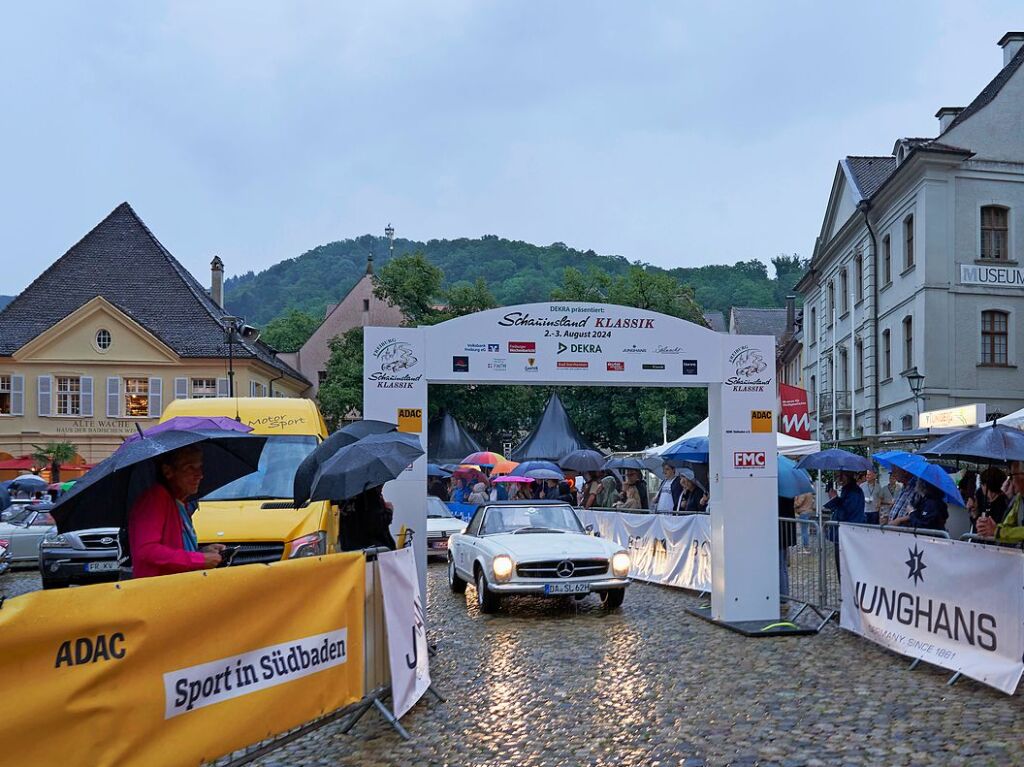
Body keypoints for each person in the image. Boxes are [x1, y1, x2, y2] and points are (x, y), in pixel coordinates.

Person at [128, 445, 224, 578]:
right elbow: (146, 550)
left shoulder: (178, 502)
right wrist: (199, 560)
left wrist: (201, 553)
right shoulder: (156, 498)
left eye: (199, 467)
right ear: (168, 471)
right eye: (190, 467)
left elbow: (176, 550)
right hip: (160, 591)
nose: (199, 475)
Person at [824, 471, 865, 580]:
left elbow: (843, 514)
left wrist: (834, 499)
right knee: (842, 569)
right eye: (836, 476)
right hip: (844, 534)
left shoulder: (853, 491)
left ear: (848, 475)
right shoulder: (848, 490)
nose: (838, 479)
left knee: (844, 569)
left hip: (847, 534)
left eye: (841, 475)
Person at [977, 461, 1024, 542]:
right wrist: (989, 527)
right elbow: (1007, 524)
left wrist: (998, 531)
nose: (1010, 481)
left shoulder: (1006, 501)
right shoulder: (1019, 498)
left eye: (1012, 476)